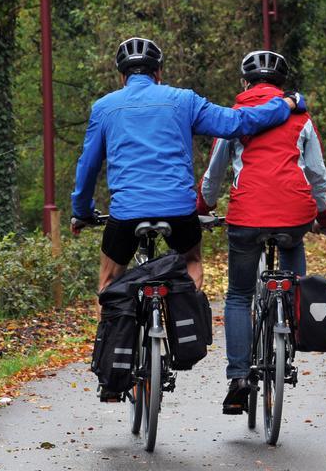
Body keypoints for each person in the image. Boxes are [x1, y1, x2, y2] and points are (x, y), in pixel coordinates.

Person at [70, 37, 305, 294]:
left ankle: (109, 333)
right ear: (158, 72)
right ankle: (188, 327)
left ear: (122, 77)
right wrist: (284, 104)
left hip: (127, 211)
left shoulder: (104, 108)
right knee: (192, 264)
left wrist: (82, 211)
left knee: (108, 283)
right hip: (178, 209)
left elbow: (88, 167)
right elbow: (236, 122)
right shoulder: (184, 100)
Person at [196, 49, 326, 414]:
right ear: (281, 86)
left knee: (239, 295)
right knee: (293, 257)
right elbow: (317, 175)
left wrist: (203, 207)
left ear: (245, 83)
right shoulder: (301, 118)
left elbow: (213, 174)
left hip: (247, 216)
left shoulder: (234, 119)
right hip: (294, 215)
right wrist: (324, 216)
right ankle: (293, 311)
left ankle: (239, 379)